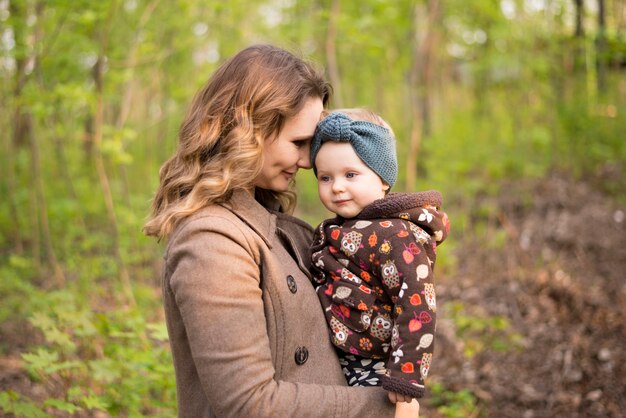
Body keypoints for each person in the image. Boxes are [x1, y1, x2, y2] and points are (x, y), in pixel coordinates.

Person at [143, 45, 418, 417]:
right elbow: (248, 404)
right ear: (248, 131)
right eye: (298, 143)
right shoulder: (211, 241)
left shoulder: (277, 227)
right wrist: (384, 409)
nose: (308, 161)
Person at [308, 109, 450, 410]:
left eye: (350, 174)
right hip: (340, 354)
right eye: (325, 177)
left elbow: (417, 302)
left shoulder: (396, 235)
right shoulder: (343, 227)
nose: (337, 186)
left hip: (374, 364)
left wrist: (405, 375)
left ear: (383, 179)